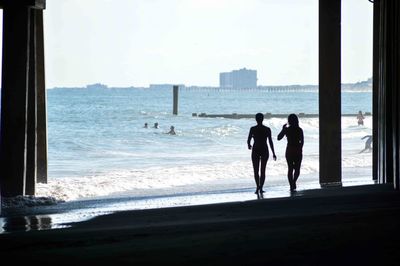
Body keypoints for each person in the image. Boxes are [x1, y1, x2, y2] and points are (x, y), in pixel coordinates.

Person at [247, 113, 277, 194]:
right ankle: (261, 188)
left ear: (256, 119)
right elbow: (270, 142)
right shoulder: (267, 129)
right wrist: (273, 153)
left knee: (256, 170)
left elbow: (248, 139)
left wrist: (249, 145)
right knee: (263, 170)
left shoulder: (253, 129)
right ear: (262, 119)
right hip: (264, 149)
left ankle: (257, 187)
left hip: (256, 149)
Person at [278, 114, 304, 192]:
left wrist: (283, 129)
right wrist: (300, 149)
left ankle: (291, 185)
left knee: (290, 168)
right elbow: (302, 141)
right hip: (297, 149)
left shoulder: (287, 129)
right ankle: (293, 182)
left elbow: (278, 138)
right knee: (297, 169)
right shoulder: (299, 129)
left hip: (289, 149)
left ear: (289, 121)